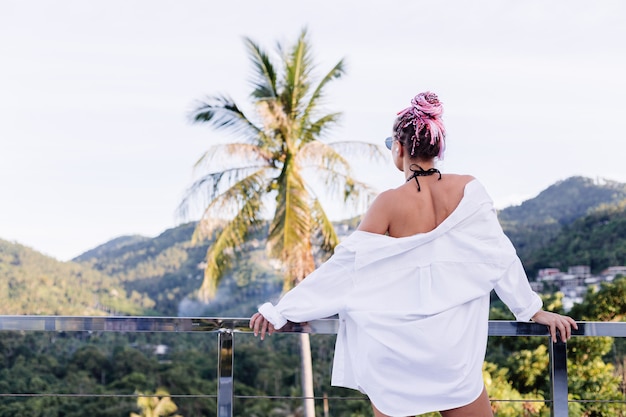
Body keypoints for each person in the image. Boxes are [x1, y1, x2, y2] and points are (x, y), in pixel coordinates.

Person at [249, 92, 578, 417]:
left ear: (400, 147)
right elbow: (500, 257)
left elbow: (346, 269)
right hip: (451, 351)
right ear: (437, 148)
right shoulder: (470, 189)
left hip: (395, 352)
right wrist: (533, 311)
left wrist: (284, 311)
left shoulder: (389, 202)